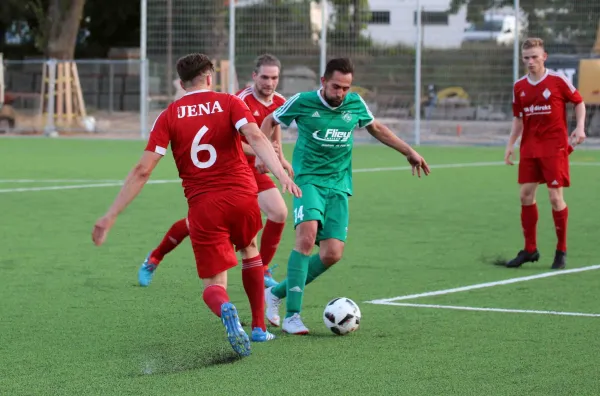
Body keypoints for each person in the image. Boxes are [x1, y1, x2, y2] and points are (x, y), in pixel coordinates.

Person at [91, 53, 301, 356]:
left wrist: (111, 215)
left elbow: (143, 170)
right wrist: (281, 172)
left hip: (204, 205)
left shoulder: (169, 116)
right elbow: (255, 136)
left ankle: (226, 307)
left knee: (213, 284)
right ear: (210, 77)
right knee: (249, 249)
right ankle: (259, 328)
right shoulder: (229, 101)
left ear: (181, 83)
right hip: (242, 194)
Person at [260, 57, 431, 334]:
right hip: (308, 181)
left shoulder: (354, 104)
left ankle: (276, 292)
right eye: (336, 86)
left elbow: (377, 129)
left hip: (339, 184)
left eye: (346, 88)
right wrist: (264, 153)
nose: (340, 93)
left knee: (332, 254)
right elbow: (270, 120)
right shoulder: (302, 101)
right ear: (323, 82)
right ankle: (293, 315)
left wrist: (408, 151)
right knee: (306, 238)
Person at [137, 54, 292, 289]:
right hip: (230, 170)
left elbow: (271, 133)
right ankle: (155, 257)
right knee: (197, 225)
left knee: (279, 212)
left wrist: (279, 159)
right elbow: (231, 142)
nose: (269, 83)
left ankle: (262, 269)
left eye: (274, 78)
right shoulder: (237, 100)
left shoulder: (279, 101)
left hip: (254, 172)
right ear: (254, 76)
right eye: (264, 77)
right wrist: (261, 153)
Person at [504, 37, 586, 270]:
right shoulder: (519, 86)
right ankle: (530, 249)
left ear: (544, 57)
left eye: (534, 57)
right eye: (526, 58)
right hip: (529, 147)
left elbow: (579, 102)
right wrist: (511, 143)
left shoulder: (558, 80)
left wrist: (579, 127)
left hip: (554, 146)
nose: (530, 62)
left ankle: (561, 251)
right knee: (525, 196)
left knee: (554, 197)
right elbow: (518, 118)